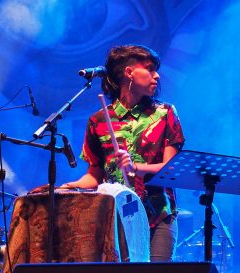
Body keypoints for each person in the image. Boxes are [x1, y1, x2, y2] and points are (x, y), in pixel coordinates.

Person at [63, 44, 185, 261]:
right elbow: (94, 176)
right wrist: (69, 187)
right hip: (117, 216)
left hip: (159, 215)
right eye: (149, 69)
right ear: (129, 72)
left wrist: (135, 167)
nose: (156, 76)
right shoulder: (99, 120)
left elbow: (171, 169)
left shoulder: (165, 113)